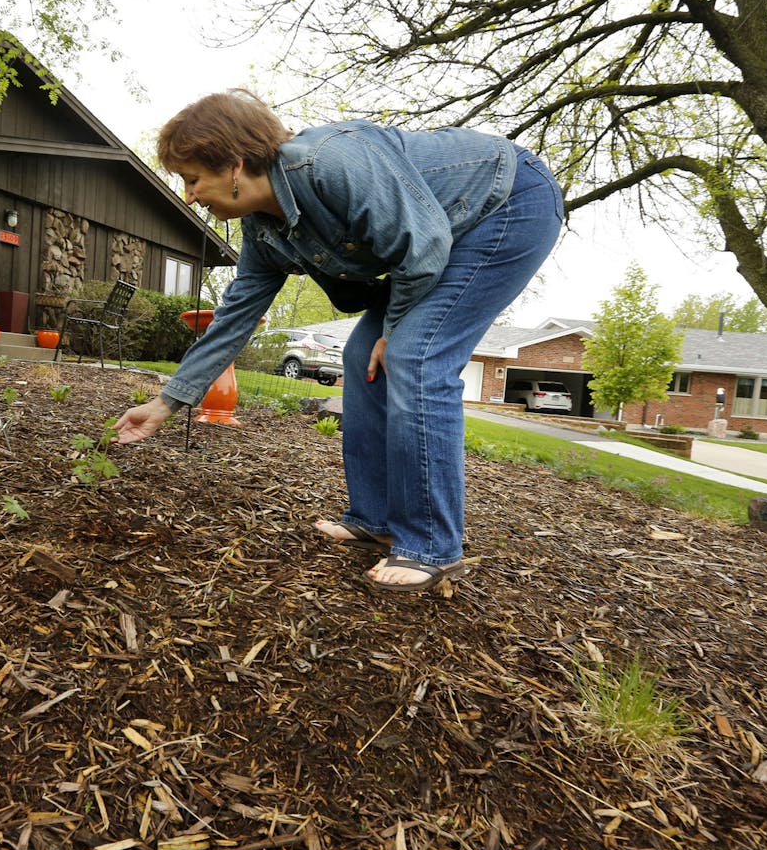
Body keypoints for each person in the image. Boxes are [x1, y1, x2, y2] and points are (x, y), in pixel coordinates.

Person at [113, 89, 563, 594]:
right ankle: (375, 519)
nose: (190, 196)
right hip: (434, 241)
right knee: (360, 356)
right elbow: (236, 315)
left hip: (505, 205)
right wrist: (167, 402)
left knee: (416, 355)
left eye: (193, 179)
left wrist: (392, 331)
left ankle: (432, 545)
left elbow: (425, 246)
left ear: (234, 166)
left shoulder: (332, 162)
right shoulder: (263, 230)